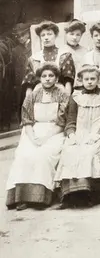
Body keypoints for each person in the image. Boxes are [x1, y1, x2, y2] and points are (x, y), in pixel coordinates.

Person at [6, 63, 69, 210]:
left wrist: (46, 138)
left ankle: (40, 198)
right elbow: (27, 120)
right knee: (24, 156)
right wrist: (32, 137)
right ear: (39, 78)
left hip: (55, 131)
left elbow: (62, 121)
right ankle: (20, 198)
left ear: (56, 78)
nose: (47, 79)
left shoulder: (63, 95)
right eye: (44, 76)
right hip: (33, 130)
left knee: (43, 156)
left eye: (51, 76)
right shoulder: (32, 96)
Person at [54, 65, 100, 208]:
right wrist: (71, 134)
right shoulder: (76, 96)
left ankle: (91, 195)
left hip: (99, 134)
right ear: (81, 80)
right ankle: (70, 195)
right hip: (79, 134)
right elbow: (70, 121)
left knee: (91, 152)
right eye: (86, 79)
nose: (89, 82)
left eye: (92, 79)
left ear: (98, 79)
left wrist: (98, 135)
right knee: (69, 151)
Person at [23, 21, 75, 97]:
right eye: (43, 35)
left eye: (49, 34)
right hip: (39, 96)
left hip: (59, 94)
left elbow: (68, 81)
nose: (46, 38)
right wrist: (29, 100)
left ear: (55, 35)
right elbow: (29, 84)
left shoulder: (64, 55)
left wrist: (66, 98)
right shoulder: (34, 58)